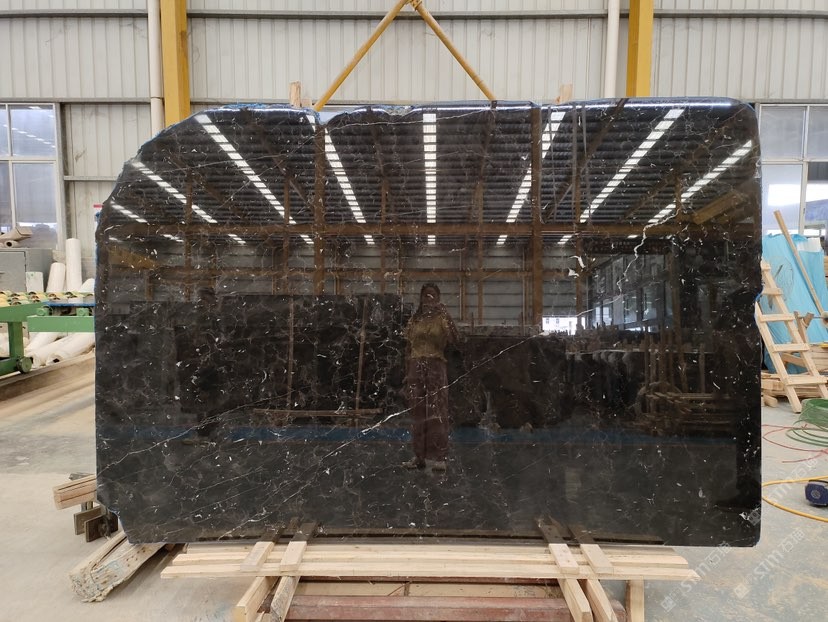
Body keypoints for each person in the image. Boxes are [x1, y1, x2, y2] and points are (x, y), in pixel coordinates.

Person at [402, 283, 459, 471]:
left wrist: (446, 314)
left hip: (436, 364)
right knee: (417, 412)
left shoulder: (442, 318)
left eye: (432, 295)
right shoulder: (415, 320)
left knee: (438, 411)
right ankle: (419, 456)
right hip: (415, 366)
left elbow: (455, 339)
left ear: (438, 298)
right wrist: (407, 372)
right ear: (421, 298)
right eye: (425, 295)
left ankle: (440, 457)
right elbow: (408, 347)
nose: (428, 298)